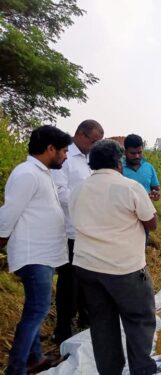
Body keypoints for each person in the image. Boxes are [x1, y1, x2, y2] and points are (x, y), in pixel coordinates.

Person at [70, 140, 158, 375]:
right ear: (118, 162)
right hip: (124, 269)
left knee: (102, 322)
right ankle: (142, 370)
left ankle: (110, 371)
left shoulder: (78, 189)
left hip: (87, 267)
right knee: (139, 319)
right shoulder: (129, 187)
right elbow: (152, 222)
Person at [0, 125, 72, 375]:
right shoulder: (27, 174)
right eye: (63, 150)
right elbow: (8, 213)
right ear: (50, 149)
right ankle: (17, 367)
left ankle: (35, 359)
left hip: (44, 252)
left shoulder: (42, 173)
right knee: (38, 309)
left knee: (36, 307)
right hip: (33, 254)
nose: (65, 156)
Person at [51, 119, 104, 345]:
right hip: (70, 229)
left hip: (87, 228)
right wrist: (85, 204)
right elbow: (60, 192)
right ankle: (63, 328)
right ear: (80, 135)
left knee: (88, 277)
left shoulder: (88, 159)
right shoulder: (65, 158)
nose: (94, 146)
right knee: (69, 281)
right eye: (93, 141)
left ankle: (86, 317)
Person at [122, 134, 161, 201]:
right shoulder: (119, 169)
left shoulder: (148, 167)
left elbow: (157, 189)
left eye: (139, 152)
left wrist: (156, 194)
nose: (137, 156)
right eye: (133, 153)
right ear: (125, 152)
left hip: (147, 210)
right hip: (125, 210)